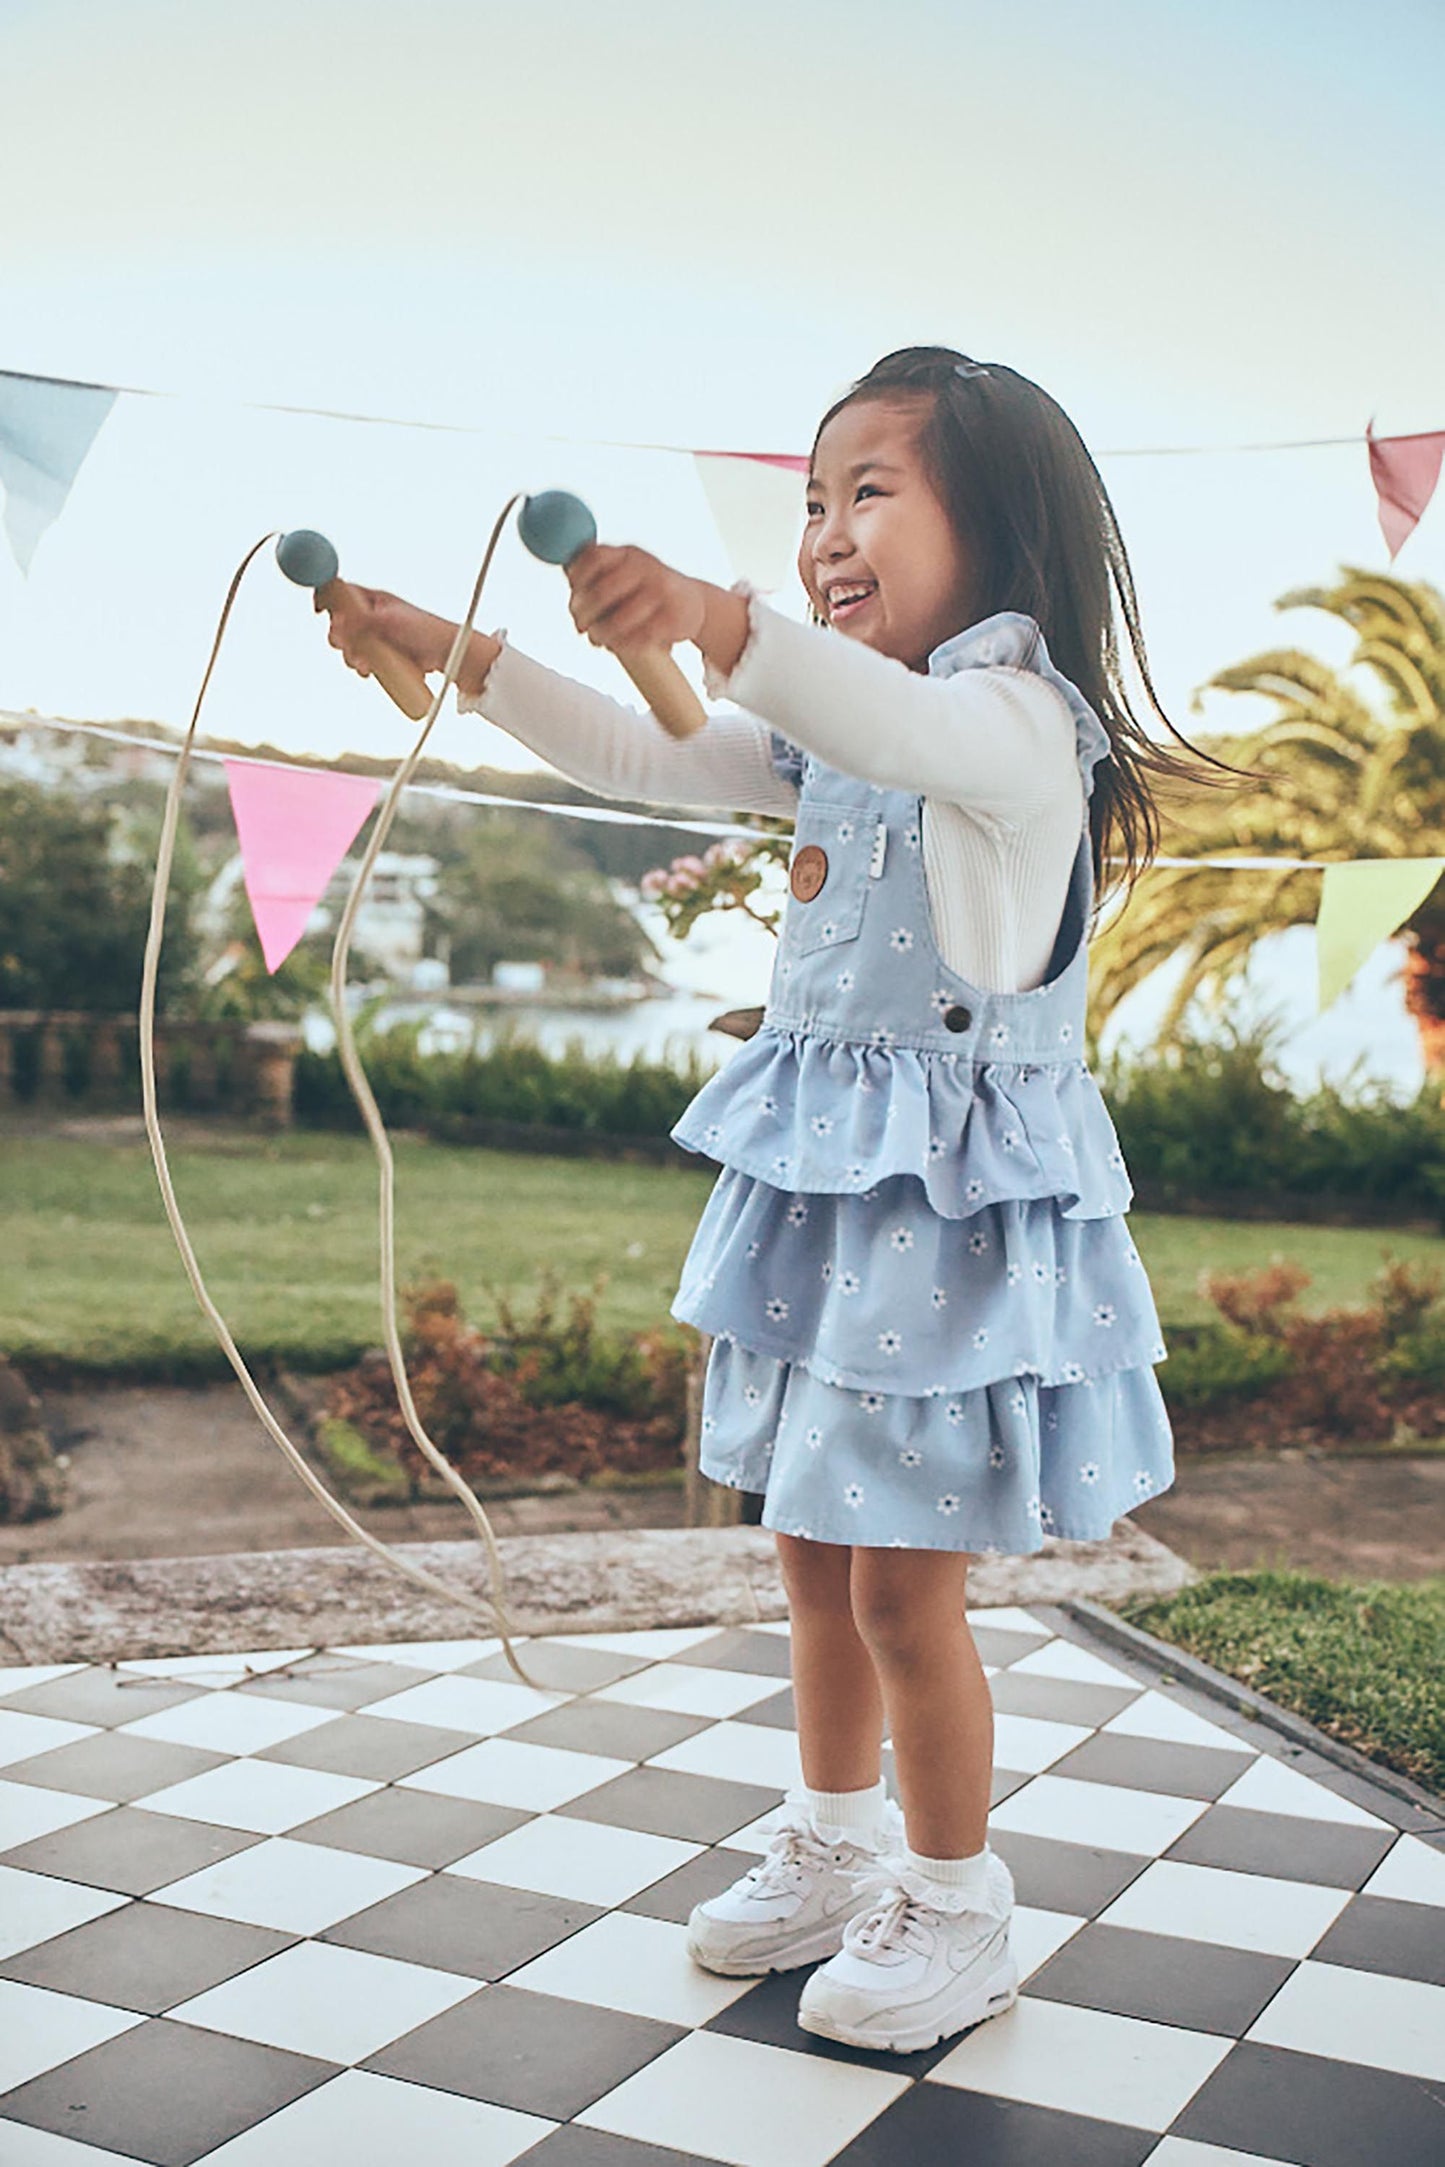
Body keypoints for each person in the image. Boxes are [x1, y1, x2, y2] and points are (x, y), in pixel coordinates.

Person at [319, 345, 1242, 2057]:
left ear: (1002, 527)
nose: (824, 531)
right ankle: (832, 1843)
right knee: (809, 1558)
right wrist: (455, 651)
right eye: (811, 500)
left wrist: (715, 617)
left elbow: (891, 722)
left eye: (868, 493)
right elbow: (645, 755)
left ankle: (956, 1901)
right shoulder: (842, 737)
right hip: (831, 1202)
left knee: (902, 1594)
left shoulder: (1011, 726)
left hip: (943, 1218)